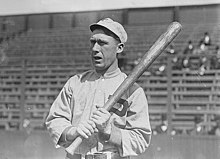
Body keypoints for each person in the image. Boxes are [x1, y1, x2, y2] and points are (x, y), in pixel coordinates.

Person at [45, 18, 152, 159]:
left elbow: (141, 139)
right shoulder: (75, 83)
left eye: (102, 43)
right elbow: (55, 120)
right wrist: (73, 132)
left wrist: (109, 132)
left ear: (119, 48)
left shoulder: (134, 91)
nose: (95, 48)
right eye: (92, 42)